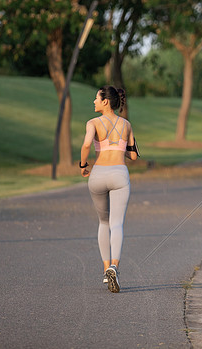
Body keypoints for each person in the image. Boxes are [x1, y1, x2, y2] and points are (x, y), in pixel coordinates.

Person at [79, 86, 139, 293]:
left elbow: (87, 145)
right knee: (117, 223)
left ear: (105, 101)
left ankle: (106, 271)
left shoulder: (93, 123)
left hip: (98, 175)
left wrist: (82, 165)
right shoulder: (127, 124)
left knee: (103, 221)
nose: (93, 101)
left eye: (96, 98)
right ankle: (114, 266)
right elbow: (132, 156)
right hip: (119, 175)